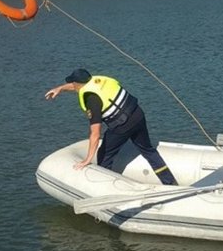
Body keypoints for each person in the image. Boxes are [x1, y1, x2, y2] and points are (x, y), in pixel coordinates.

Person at [45, 68, 178, 185]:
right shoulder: (98, 81)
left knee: (104, 154)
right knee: (148, 150)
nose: (72, 85)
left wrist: (88, 159)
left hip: (122, 125)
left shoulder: (91, 99)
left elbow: (95, 133)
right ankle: (170, 182)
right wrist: (60, 89)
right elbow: (75, 86)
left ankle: (103, 185)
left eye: (72, 83)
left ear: (77, 83)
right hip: (137, 115)